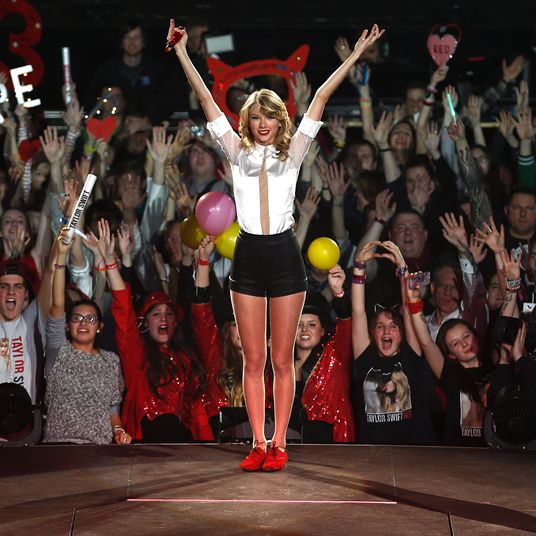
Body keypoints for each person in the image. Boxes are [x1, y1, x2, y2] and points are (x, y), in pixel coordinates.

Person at [167, 18, 384, 470]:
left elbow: (320, 96)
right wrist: (184, 52)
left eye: (269, 116)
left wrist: (353, 57)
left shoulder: (295, 150)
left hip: (284, 255)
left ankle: (279, 443)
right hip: (248, 256)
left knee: (282, 359)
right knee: (254, 358)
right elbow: (206, 99)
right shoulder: (234, 150)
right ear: (247, 120)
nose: (262, 123)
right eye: (256, 116)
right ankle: (258, 443)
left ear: (279, 120)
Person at [95, 219, 225, 442]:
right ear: (145, 323)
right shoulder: (137, 356)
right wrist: (109, 262)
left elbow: (203, 318)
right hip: (147, 447)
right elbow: (124, 310)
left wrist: (203, 262)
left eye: (169, 314)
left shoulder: (189, 355)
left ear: (176, 322)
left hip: (190, 447)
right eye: (156, 314)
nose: (163, 318)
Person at [44, 227, 130, 445]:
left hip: (97, 450)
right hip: (58, 447)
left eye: (90, 319)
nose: (83, 323)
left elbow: (112, 408)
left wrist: (119, 430)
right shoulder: (58, 351)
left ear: (100, 327)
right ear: (67, 325)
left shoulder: (111, 361)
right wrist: (61, 257)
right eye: (77, 318)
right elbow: (57, 304)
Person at [351, 240, 437, 445]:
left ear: (402, 333)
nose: (386, 331)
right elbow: (358, 311)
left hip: (415, 452)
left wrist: (401, 266)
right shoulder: (365, 356)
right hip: (373, 454)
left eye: (393, 326)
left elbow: (408, 308)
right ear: (373, 334)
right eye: (380, 326)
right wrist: (359, 268)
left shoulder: (410, 353)